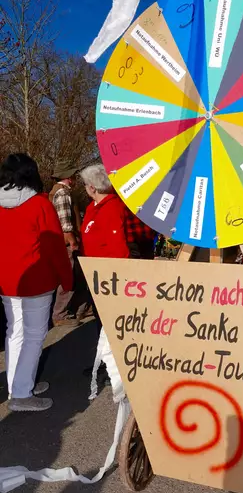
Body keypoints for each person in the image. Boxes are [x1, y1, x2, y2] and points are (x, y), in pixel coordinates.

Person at [0, 154, 73, 412]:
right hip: (36, 282)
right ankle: (21, 393)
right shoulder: (40, 205)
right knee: (33, 336)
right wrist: (67, 279)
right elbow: (55, 248)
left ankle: (18, 384)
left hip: (7, 281)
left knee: (14, 332)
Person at [80, 164, 155, 401]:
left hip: (110, 275)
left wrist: (118, 280)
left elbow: (118, 248)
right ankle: (108, 362)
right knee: (103, 321)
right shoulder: (94, 207)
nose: (85, 188)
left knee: (115, 321)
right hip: (97, 273)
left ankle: (121, 366)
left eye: (86, 184)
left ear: (93, 187)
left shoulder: (112, 207)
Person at [49, 158, 89, 327]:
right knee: (69, 277)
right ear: (68, 177)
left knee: (74, 276)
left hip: (64, 241)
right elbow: (65, 223)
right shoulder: (63, 193)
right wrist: (73, 242)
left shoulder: (59, 192)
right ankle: (60, 314)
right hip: (66, 242)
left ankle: (75, 309)